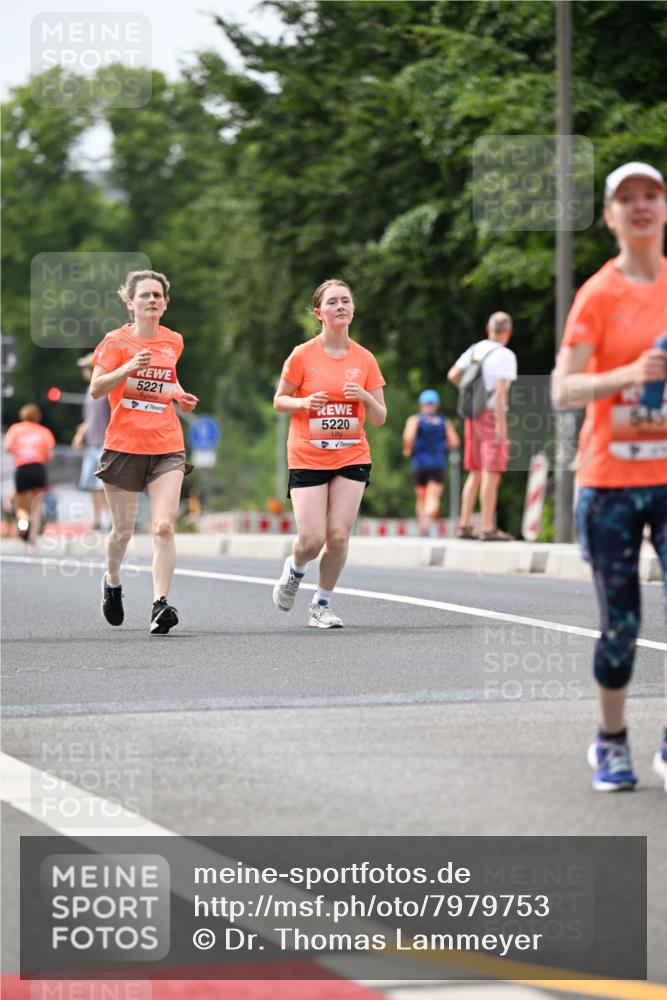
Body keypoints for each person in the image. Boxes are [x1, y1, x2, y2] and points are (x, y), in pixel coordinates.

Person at [552, 161, 667, 793]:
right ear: (611, 215)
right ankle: (611, 741)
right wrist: (627, 377)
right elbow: (565, 388)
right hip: (612, 483)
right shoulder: (599, 294)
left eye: (653, 195)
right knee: (622, 623)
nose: (642, 206)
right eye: (629, 198)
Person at [272, 279, 386, 628]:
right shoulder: (302, 355)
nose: (341, 306)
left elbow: (380, 417)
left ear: (353, 309)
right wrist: (304, 402)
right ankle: (295, 570)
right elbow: (279, 401)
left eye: (346, 301)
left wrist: (365, 398)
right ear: (319, 312)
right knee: (312, 539)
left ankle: (321, 603)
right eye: (333, 302)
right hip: (308, 454)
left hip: (351, 453)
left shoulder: (365, 359)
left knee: (338, 535)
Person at [90, 270, 199, 635]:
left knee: (164, 526)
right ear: (130, 303)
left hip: (167, 445)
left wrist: (179, 396)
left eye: (158, 296)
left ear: (165, 303)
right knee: (122, 531)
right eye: (145, 296)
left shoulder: (173, 341)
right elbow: (96, 388)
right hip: (123, 446)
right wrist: (126, 368)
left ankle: (160, 605)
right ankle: (113, 580)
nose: (152, 300)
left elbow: (168, 381)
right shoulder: (115, 341)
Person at [447, 312, 517, 540]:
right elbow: (499, 393)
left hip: (472, 415)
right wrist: (501, 426)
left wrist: (473, 394)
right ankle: (487, 527)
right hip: (490, 416)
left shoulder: (476, 349)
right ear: (508, 331)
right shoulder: (506, 355)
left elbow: (454, 375)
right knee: (492, 471)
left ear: (489, 328)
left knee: (475, 470)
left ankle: (465, 524)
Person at [402, 389, 460, 536]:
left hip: (420, 463)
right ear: (436, 405)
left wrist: (408, 450)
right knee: (433, 496)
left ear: (421, 404)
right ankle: (429, 514)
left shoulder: (415, 419)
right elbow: (454, 442)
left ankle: (423, 525)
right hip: (437, 463)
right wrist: (441, 445)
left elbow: (409, 437)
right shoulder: (443, 421)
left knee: (421, 497)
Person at [3, 404, 55, 548]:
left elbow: (7, 447)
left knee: (21, 507)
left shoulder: (16, 429)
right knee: (36, 506)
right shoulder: (44, 431)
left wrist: (19, 451)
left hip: (22, 468)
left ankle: (24, 524)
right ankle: (32, 538)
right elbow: (49, 455)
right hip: (38, 468)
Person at [72, 352, 110, 531]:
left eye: (86, 368)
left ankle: (108, 518)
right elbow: (89, 419)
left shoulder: (106, 388)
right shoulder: (89, 391)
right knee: (90, 485)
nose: (83, 372)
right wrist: (80, 434)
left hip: (105, 442)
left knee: (104, 484)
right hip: (92, 443)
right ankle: (96, 519)